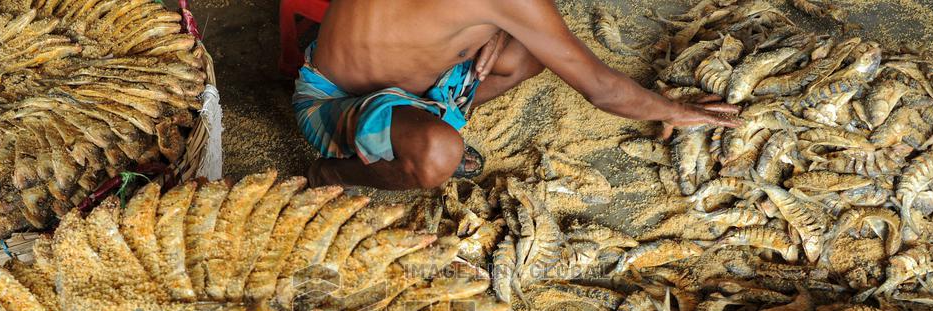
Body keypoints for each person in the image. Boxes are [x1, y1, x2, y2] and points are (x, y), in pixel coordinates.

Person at [293, 0, 740, 190]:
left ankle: (428, 121)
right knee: (437, 155)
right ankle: (332, 175)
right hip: (333, 104)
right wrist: (675, 110)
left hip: (406, 83)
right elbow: (600, 89)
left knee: (526, 51)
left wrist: (498, 23)